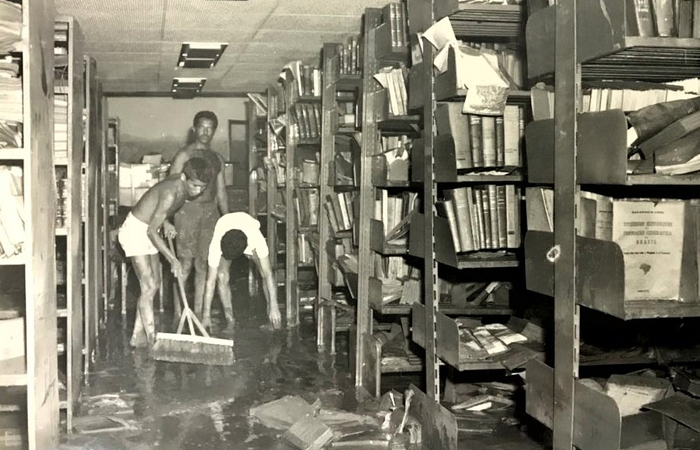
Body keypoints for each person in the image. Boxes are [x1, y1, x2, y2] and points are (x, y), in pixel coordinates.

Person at [118, 157, 215, 348]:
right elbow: (151, 231)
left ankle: (138, 336)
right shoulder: (172, 192)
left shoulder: (182, 186)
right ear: (183, 176)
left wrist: (166, 221)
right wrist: (173, 259)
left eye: (202, 188)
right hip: (136, 230)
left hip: (149, 227)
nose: (197, 191)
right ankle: (153, 339)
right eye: (194, 186)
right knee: (149, 285)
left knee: (154, 284)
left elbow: (157, 206)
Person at [169, 111, 229, 323]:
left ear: (214, 130)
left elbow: (221, 191)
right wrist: (168, 217)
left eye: (209, 128)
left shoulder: (216, 158)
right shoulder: (183, 155)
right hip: (186, 211)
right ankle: (179, 314)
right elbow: (172, 187)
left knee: (204, 264)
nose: (205, 132)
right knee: (184, 264)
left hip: (209, 213)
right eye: (201, 127)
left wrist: (227, 220)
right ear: (194, 129)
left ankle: (197, 313)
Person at [201, 212, 282, 331]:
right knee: (222, 275)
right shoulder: (217, 242)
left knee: (264, 273)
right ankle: (230, 320)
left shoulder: (256, 239)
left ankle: (273, 319)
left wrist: (274, 306)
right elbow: (210, 282)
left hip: (248, 234)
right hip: (226, 233)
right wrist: (206, 315)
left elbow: (268, 274)